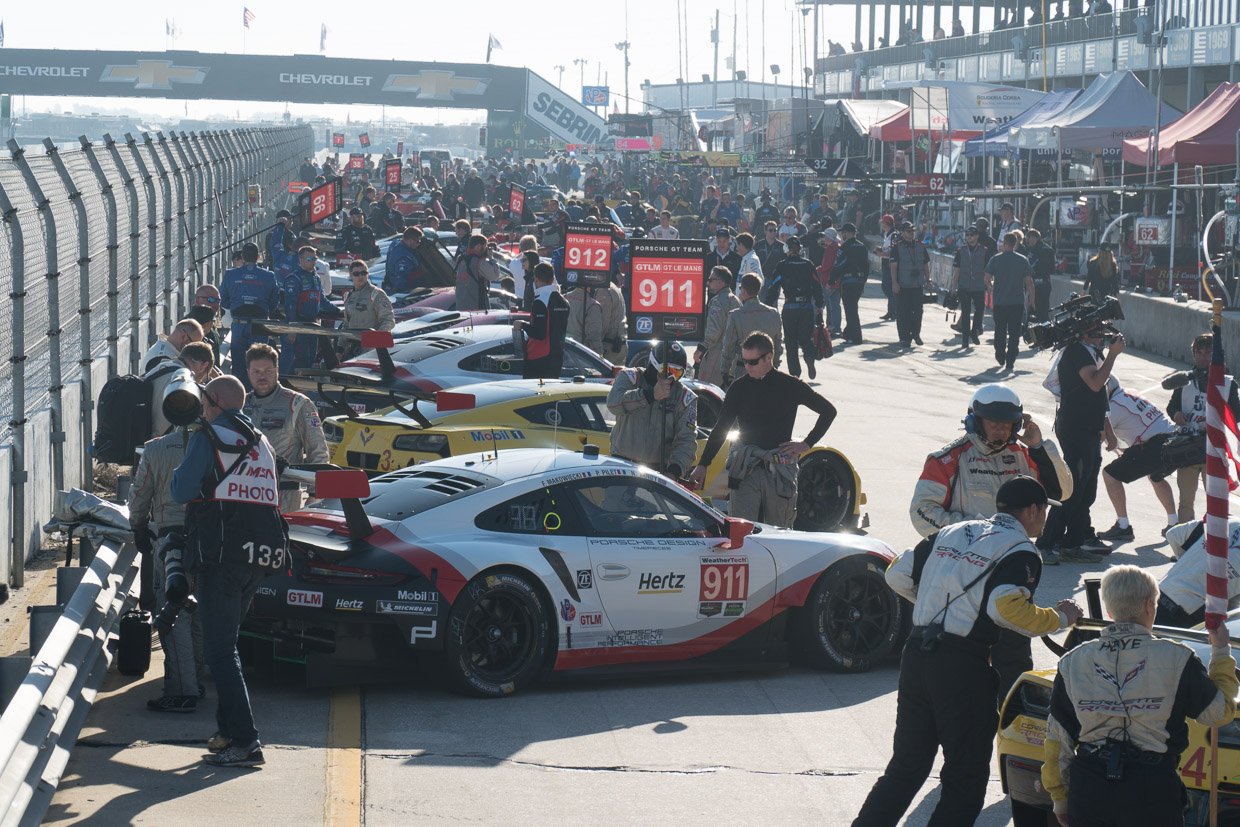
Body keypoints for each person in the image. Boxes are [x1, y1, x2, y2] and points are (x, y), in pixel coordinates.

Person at [856, 476, 1083, 827]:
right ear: (1034, 510)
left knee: (905, 768)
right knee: (965, 778)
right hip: (962, 667)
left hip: (917, 653)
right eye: (1044, 512)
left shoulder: (954, 531)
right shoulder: (1021, 550)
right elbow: (1004, 608)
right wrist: (1060, 618)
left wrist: (935, 610)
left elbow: (897, 575)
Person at [1041, 565, 1237, 827]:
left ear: (1110, 610)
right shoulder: (1178, 658)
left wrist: (1060, 798)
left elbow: (1057, 741)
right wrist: (1221, 652)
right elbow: (1219, 713)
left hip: (1089, 788)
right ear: (1149, 605)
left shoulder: (1072, 661)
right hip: (1152, 789)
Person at [172, 375, 286, 768]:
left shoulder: (209, 436)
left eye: (205, 398)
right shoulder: (261, 440)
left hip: (220, 557)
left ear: (215, 401)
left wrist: (176, 472)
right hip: (259, 555)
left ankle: (245, 741)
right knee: (228, 647)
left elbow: (182, 490)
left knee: (220, 651)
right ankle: (225, 733)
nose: (202, 404)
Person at [688, 332, 836, 527]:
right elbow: (721, 428)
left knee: (780, 532)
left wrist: (806, 444)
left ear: (769, 358)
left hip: (778, 469)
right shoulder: (739, 387)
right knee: (741, 530)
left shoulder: (790, 385)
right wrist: (703, 464)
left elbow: (828, 411)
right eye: (744, 361)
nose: (747, 367)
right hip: (745, 468)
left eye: (753, 362)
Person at [1039, 323, 1124, 559]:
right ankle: (1047, 543)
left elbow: (1099, 396)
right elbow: (1095, 382)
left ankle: (1072, 542)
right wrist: (1113, 356)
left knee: (1086, 491)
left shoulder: (1090, 352)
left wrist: (1106, 428)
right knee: (1072, 488)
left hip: (1089, 428)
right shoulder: (1076, 351)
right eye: (1096, 331)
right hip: (1075, 428)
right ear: (1083, 332)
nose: (1102, 336)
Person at [130, 423, 200, 712]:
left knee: (174, 616)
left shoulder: (156, 448)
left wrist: (138, 527)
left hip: (171, 541)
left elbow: (140, 494)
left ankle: (183, 691)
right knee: (200, 612)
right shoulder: (222, 443)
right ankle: (197, 680)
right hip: (212, 540)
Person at [242, 344, 328, 513]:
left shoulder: (298, 404)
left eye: (267, 371)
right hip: (245, 493)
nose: (262, 376)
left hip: (284, 495)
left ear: (277, 370)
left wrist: (315, 494)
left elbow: (318, 451)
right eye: (256, 372)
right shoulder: (241, 404)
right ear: (248, 372)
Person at [607, 342, 698, 479]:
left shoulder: (684, 397)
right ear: (654, 364)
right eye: (667, 371)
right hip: (621, 465)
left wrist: (674, 472)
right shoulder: (630, 378)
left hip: (658, 472)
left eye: (677, 373)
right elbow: (613, 404)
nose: (671, 377)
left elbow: (687, 440)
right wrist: (649, 395)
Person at [1156, 519, 1240, 627]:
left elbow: (1174, 534)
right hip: (1187, 614)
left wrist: (1189, 567)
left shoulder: (1225, 521)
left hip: (1158, 592)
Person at [219, 243, 280, 387]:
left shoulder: (230, 274)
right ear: (258, 257)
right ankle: (258, 393)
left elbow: (224, 300)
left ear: (242, 257)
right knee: (259, 364)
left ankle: (242, 395)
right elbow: (274, 301)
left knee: (239, 366)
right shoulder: (269, 276)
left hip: (239, 324)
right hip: (259, 325)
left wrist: (235, 306)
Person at [764, 236, 824, 380]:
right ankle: (809, 357)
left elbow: (774, 287)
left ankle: (795, 374)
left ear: (787, 249)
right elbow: (817, 285)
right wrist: (820, 305)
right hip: (807, 307)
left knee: (790, 341)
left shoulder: (782, 265)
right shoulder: (808, 264)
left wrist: (767, 304)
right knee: (805, 338)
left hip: (790, 307)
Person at [720, 273, 783, 385]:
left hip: (744, 368)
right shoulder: (774, 313)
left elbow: (728, 346)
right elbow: (778, 344)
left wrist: (725, 370)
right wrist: (775, 364)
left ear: (743, 290)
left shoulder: (736, 315)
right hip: (768, 368)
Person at [985, 231, 1035, 372]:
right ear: (1015, 244)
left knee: (1000, 330)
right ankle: (1010, 361)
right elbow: (1029, 283)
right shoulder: (1023, 260)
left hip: (1000, 302)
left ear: (1004, 243)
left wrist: (990, 287)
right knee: (1014, 333)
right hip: (1017, 303)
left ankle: (1000, 354)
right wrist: (1032, 301)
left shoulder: (995, 259)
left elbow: (986, 277)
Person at [278, 245, 328, 374]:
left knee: (310, 359)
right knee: (295, 361)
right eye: (309, 258)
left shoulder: (316, 278)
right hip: (297, 325)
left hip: (312, 325)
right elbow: (290, 306)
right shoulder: (294, 278)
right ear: (300, 260)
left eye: (315, 258)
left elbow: (322, 301)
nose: (313, 261)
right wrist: (292, 329)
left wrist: (340, 311)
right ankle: (286, 386)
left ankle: (301, 387)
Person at [520, 262, 569, 379]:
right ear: (552, 279)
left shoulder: (540, 301)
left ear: (536, 279)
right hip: (557, 357)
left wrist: (522, 325)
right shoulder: (564, 301)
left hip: (538, 358)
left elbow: (539, 333)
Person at [696, 266, 741, 386]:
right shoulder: (737, 301)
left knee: (706, 390)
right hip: (733, 355)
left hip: (716, 353)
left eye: (711, 279)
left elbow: (713, 331)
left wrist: (701, 348)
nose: (708, 282)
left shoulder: (718, 301)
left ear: (720, 282)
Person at [891, 222, 931, 348]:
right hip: (903, 285)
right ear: (902, 233)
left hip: (917, 285)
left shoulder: (920, 246)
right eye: (908, 231)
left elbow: (925, 264)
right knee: (903, 312)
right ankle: (904, 337)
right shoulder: (897, 247)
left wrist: (928, 279)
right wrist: (894, 283)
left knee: (918, 311)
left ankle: (916, 334)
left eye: (913, 231)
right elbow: (893, 267)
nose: (911, 233)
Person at [342, 261, 394, 348]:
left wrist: (374, 340)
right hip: (353, 346)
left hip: (372, 348)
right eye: (356, 274)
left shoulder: (376, 293)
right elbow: (346, 324)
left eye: (363, 273)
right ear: (351, 275)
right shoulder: (348, 296)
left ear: (368, 274)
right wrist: (340, 347)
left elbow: (388, 320)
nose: (360, 276)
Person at [951, 227, 988, 348]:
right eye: (967, 235)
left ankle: (975, 331)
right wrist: (953, 286)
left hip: (979, 286)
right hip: (964, 286)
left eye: (972, 235)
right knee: (965, 313)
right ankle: (965, 339)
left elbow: (988, 270)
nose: (969, 237)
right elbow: (956, 270)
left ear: (977, 236)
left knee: (980, 310)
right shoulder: (961, 251)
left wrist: (990, 284)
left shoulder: (984, 250)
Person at [835, 223, 868, 345]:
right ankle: (848, 332)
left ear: (848, 233)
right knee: (852, 308)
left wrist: (831, 280)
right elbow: (866, 266)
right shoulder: (862, 246)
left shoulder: (845, 247)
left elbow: (839, 265)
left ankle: (855, 337)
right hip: (859, 282)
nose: (842, 235)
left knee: (850, 310)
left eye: (843, 232)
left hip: (848, 282)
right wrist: (863, 281)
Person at [382, 226, 426, 295]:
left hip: (389, 285)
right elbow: (400, 280)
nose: (419, 244)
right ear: (410, 240)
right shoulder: (405, 258)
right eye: (418, 241)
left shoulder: (395, 243)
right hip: (406, 293)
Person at [454, 234, 492, 312]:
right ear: (478, 246)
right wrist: (491, 258)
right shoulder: (479, 262)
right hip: (477, 308)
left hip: (461, 307)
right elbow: (494, 275)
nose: (486, 250)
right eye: (485, 247)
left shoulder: (461, 259)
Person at [1024, 227, 1055, 322]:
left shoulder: (1040, 250)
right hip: (1043, 283)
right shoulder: (1044, 249)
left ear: (1035, 238)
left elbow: (1047, 268)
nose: (1028, 241)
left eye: (1029, 238)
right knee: (1042, 309)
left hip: (1039, 283)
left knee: (1037, 309)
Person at [564, 285, 604, 355]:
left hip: (562, 349)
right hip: (580, 353)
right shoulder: (592, 305)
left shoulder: (563, 298)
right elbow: (594, 336)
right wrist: (600, 355)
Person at [597, 278, 627, 365]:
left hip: (609, 346)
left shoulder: (603, 290)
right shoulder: (615, 289)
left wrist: (596, 345)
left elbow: (603, 322)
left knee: (599, 377)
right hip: (620, 344)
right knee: (616, 378)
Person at [878, 214, 897, 322]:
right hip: (886, 263)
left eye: (883, 223)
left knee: (887, 288)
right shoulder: (887, 234)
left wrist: (882, 254)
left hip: (890, 264)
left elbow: (893, 251)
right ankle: (891, 311)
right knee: (888, 287)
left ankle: (894, 311)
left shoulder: (893, 235)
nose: (882, 225)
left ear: (887, 223)